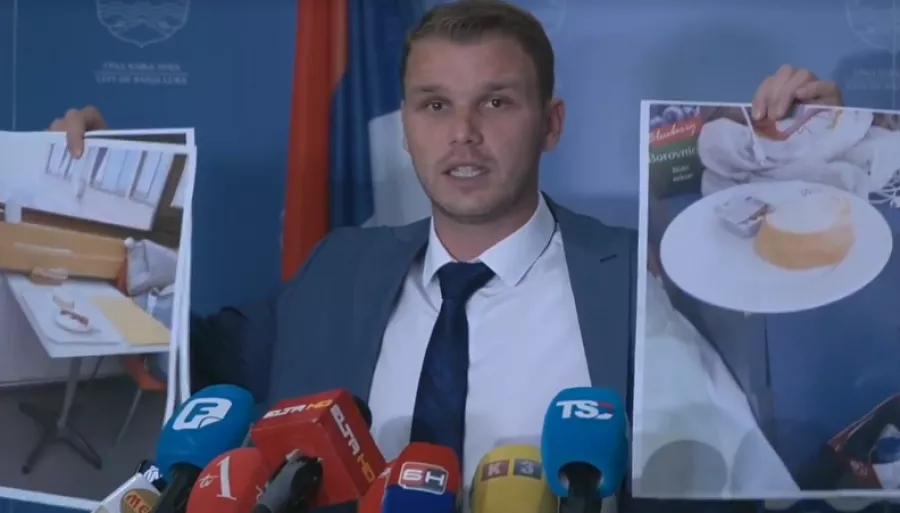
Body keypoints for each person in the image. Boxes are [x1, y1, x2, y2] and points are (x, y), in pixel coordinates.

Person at [50, 2, 842, 510]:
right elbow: (176, 363)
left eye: (496, 101)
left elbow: (765, 468)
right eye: (435, 105)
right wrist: (89, 203)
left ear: (551, 123)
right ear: (406, 126)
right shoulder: (338, 267)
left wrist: (824, 159)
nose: (463, 134)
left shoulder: (633, 280)